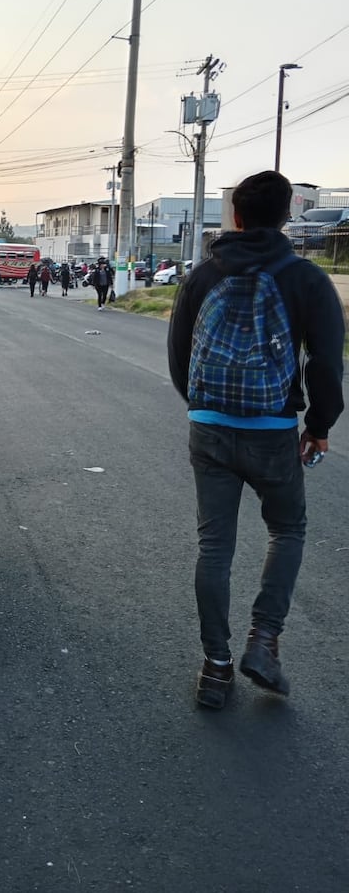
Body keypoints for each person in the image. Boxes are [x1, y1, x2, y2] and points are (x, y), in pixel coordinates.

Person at [168, 170, 344, 709]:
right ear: (287, 215)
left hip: (210, 428)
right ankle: (264, 642)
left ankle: (215, 669)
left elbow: (180, 359)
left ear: (236, 218)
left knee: (214, 547)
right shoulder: (306, 278)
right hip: (273, 432)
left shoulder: (201, 276)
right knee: (287, 530)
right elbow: (326, 365)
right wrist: (318, 426)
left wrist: (205, 409)